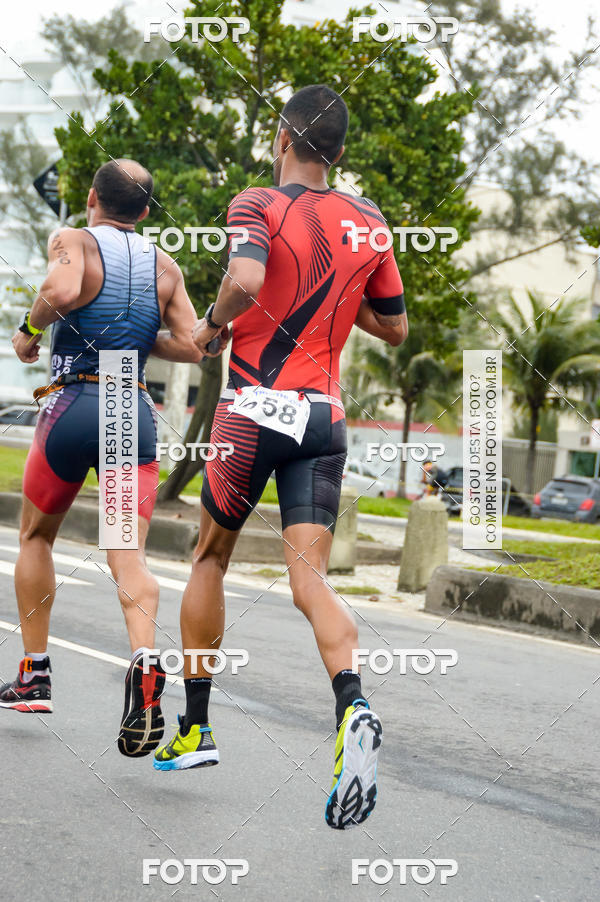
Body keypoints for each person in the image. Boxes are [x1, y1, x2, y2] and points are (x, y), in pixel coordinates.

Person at [154, 85, 408, 830]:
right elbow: (393, 328)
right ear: (340, 149)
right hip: (324, 419)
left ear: (282, 137)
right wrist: (341, 284)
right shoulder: (370, 221)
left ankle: (196, 730)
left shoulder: (256, 202)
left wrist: (207, 327)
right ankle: (352, 703)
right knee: (309, 580)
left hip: (252, 409)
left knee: (210, 558)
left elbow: (247, 279)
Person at [0, 159, 203, 759]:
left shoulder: (74, 239)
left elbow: (61, 292)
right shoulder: (165, 264)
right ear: (144, 212)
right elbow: (192, 346)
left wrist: (28, 329)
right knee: (127, 556)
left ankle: (34, 674)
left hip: (73, 401)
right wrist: (141, 340)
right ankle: (143, 657)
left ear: (92, 199)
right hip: (127, 400)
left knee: (36, 537)